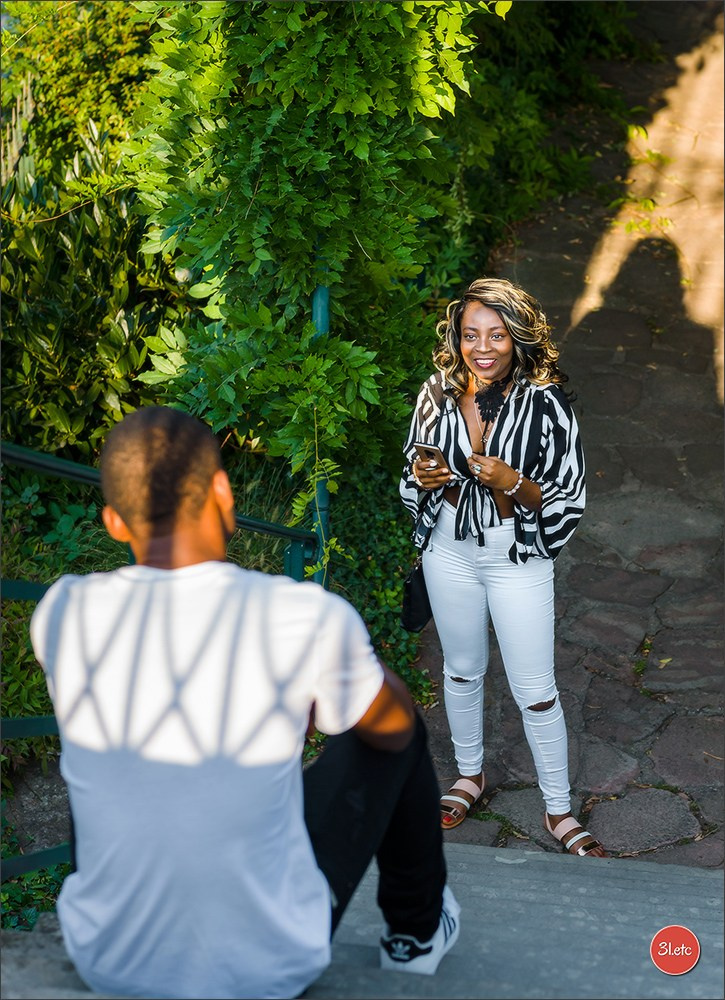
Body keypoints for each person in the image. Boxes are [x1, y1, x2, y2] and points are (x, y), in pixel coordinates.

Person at [30, 406, 461, 1000]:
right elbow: (388, 729)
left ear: (113, 522)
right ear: (224, 492)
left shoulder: (63, 612)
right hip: (267, 966)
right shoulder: (301, 615)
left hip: (107, 959)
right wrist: (331, 680)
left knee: (105, 734)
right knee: (397, 722)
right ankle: (416, 933)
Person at [399, 276, 607, 858]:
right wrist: (425, 479)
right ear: (457, 338)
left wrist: (514, 484)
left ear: (517, 338)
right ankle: (470, 776)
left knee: (535, 689)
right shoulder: (436, 393)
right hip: (449, 551)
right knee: (461, 670)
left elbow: (570, 493)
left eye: (496, 335)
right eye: (470, 335)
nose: (482, 348)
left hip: (517, 558)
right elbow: (409, 472)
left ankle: (559, 810)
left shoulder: (548, 404)